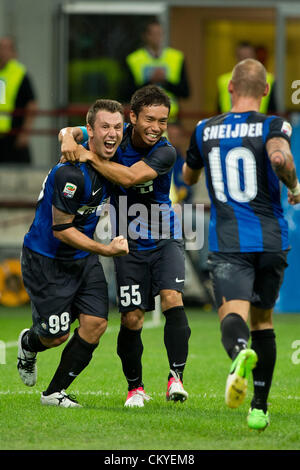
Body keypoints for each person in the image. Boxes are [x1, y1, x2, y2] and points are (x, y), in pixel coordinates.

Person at [183, 58, 300, 431]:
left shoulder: (205, 129)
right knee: (264, 322)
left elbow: (188, 175)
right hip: (270, 240)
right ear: (265, 91)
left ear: (230, 88)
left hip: (230, 240)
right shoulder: (273, 125)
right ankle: (260, 408)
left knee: (232, 315)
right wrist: (293, 184)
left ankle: (238, 354)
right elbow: (280, 156)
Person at [59, 85, 191, 407]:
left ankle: (176, 378)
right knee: (132, 319)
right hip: (127, 245)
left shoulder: (165, 151)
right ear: (133, 116)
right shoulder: (115, 136)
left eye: (163, 121)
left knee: (173, 299)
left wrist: (87, 155)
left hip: (164, 238)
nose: (157, 128)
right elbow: (78, 130)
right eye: (150, 119)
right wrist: (66, 136)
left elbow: (130, 178)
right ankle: (135, 388)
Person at [17, 99, 129, 407]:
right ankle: (29, 343)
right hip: (46, 258)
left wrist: (67, 133)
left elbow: (72, 131)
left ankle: (54, 393)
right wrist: (105, 250)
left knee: (96, 323)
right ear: (90, 131)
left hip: (82, 259)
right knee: (56, 336)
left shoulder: (110, 146)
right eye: (105, 127)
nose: (113, 134)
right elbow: (62, 230)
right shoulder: (71, 173)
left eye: (117, 127)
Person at [124, 20, 190, 122]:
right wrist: (151, 81)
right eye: (153, 34)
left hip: (170, 117)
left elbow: (185, 92)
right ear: (145, 36)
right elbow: (126, 92)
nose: (157, 37)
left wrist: (165, 81)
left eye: (159, 33)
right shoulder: (134, 59)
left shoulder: (176, 57)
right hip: (142, 116)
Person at [0, 36, 37, 164]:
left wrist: (25, 133)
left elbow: (31, 105)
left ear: (14, 53)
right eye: (0, 47)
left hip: (14, 136)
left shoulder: (19, 73)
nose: (2, 51)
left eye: (6, 48)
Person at [217, 41, 277, 114]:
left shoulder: (268, 78)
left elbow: (273, 108)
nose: (245, 61)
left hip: (259, 122)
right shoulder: (223, 80)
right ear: (236, 57)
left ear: (254, 57)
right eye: (242, 57)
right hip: (229, 123)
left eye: (248, 57)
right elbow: (218, 108)